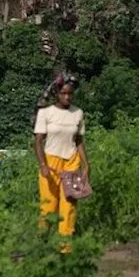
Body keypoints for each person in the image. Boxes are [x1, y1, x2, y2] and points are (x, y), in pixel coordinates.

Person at [33, 73, 89, 245]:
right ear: (57, 93)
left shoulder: (77, 113)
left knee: (69, 206)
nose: (67, 97)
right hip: (51, 163)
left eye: (70, 94)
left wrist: (86, 165)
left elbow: (78, 140)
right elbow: (37, 142)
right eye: (64, 93)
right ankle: (42, 244)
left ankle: (65, 247)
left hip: (71, 162)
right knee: (48, 207)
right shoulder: (46, 113)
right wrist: (43, 165)